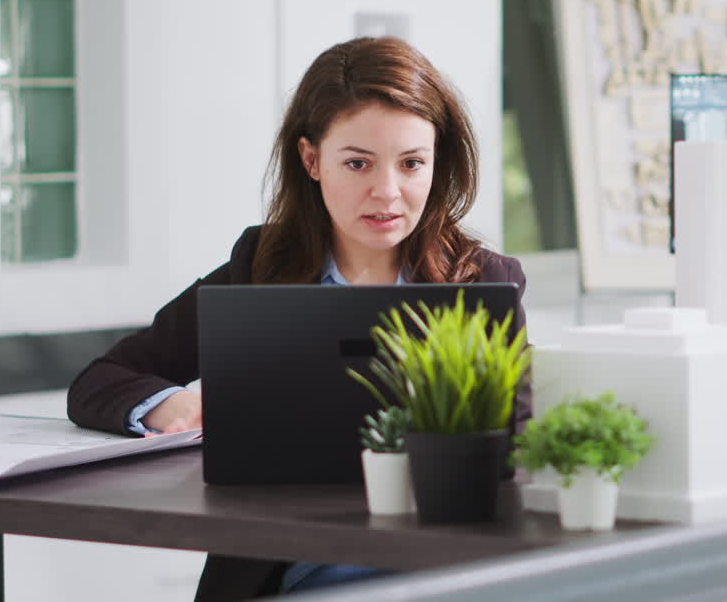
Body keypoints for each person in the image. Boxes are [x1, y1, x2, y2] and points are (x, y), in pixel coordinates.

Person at [66, 36, 531, 602]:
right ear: (311, 159)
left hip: (443, 576)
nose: (387, 192)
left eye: (412, 164)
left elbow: (517, 450)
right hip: (292, 580)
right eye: (357, 163)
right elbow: (100, 379)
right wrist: (172, 404)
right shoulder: (258, 266)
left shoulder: (483, 282)